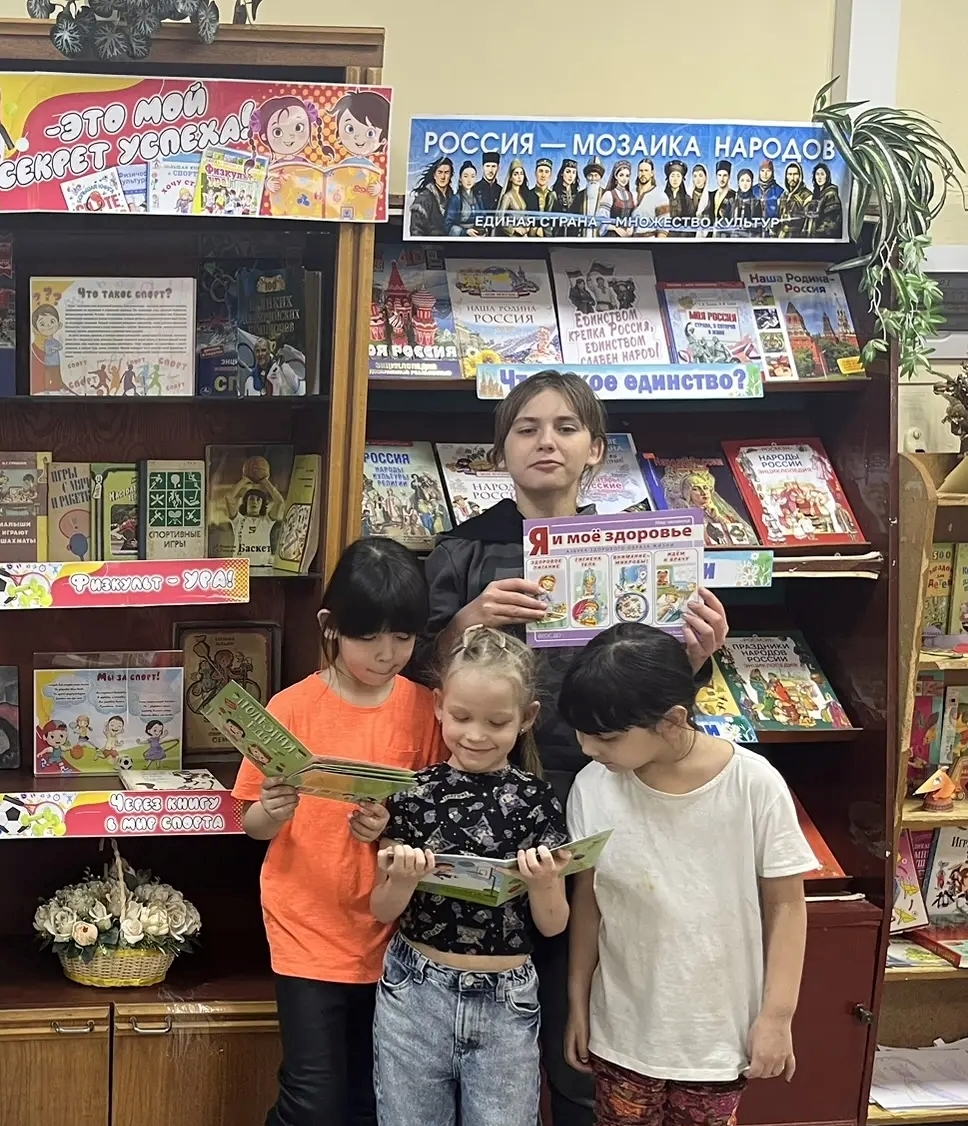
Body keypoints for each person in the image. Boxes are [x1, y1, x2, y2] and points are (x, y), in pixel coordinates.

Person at [423, 371, 730, 1126]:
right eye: (526, 428)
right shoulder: (464, 548)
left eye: (566, 428)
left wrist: (696, 656)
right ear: (501, 450)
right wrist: (466, 620)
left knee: (585, 985)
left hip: (602, 789)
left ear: (596, 449)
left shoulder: (634, 546)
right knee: (483, 979)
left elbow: (654, 690)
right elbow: (417, 674)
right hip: (486, 800)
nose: (546, 443)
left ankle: (577, 1095)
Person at [560, 624, 812, 1126]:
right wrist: (577, 1002)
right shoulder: (592, 786)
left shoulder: (754, 784)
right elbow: (589, 902)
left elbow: (787, 905)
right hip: (622, 1034)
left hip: (716, 1039)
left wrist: (777, 1017)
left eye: (606, 737)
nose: (588, 748)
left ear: (673, 720)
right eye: (581, 733)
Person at [232, 536, 445, 1126]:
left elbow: (434, 819)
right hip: (306, 929)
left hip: (395, 934)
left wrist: (389, 828)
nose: (387, 654)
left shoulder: (426, 710)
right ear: (330, 626)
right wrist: (273, 811)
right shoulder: (291, 709)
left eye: (403, 637)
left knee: (373, 1099)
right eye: (369, 637)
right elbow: (250, 824)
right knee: (313, 1100)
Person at [372, 626, 570, 1126]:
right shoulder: (413, 793)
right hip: (416, 989)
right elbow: (380, 909)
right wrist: (403, 879)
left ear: (526, 719)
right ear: (438, 705)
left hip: (507, 999)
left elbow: (553, 925)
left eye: (496, 722)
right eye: (461, 717)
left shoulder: (538, 800)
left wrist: (544, 882)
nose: (476, 735)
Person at [410, 156, 454, 237]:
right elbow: (416, 231)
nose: (443, 177)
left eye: (446, 172)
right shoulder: (424, 199)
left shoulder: (453, 198)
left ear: (450, 175)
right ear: (434, 175)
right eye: (440, 172)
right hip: (429, 243)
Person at [446, 161, 484, 237]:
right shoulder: (456, 199)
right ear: (460, 178)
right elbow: (448, 225)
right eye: (466, 176)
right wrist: (465, 232)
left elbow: (484, 217)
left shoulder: (478, 198)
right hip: (462, 238)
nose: (469, 180)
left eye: (472, 176)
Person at [807, 163, 844, 240]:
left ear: (827, 176)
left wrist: (817, 234)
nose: (819, 177)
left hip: (824, 238)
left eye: (822, 174)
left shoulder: (831, 195)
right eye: (817, 174)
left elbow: (832, 222)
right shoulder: (816, 194)